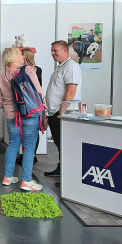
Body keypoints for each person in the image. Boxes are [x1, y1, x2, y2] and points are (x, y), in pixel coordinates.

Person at [0, 47, 44, 191]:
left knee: (13, 144)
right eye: (20, 53)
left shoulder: (2, 76)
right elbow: (39, 92)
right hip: (29, 114)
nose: (23, 56)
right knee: (28, 147)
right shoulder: (28, 70)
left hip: (11, 115)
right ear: (14, 56)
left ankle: (7, 177)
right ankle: (26, 180)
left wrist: (6, 105)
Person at [44, 40, 82, 185]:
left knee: (65, 145)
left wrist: (62, 111)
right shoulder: (62, 66)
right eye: (52, 51)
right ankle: (61, 169)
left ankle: (68, 176)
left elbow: (71, 90)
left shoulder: (71, 67)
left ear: (65, 50)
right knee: (60, 144)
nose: (53, 53)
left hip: (64, 114)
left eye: (55, 50)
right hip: (55, 113)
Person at [16, 48, 42, 163]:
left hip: (26, 104)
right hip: (35, 104)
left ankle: (31, 155)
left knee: (28, 131)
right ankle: (31, 155)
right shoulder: (37, 70)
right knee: (32, 130)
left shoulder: (28, 71)